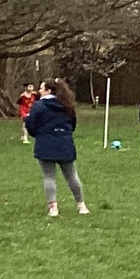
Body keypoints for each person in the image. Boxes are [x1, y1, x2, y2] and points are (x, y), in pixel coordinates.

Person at [25, 79, 89, 216]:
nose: (39, 91)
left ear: (48, 91)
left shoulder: (38, 106)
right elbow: (72, 124)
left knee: (49, 176)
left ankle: (53, 208)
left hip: (45, 144)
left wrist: (39, 135)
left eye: (41, 88)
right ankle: (81, 205)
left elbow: (30, 124)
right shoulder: (67, 105)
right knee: (72, 176)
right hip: (65, 144)